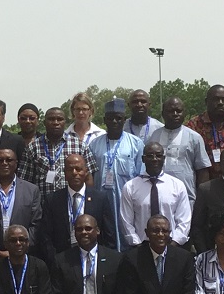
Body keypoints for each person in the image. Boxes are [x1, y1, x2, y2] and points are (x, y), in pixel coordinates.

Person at [86, 99, 145, 247]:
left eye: (118, 118)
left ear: (124, 120)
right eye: (110, 118)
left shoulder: (136, 144)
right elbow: (90, 175)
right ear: (104, 120)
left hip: (127, 199)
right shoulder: (94, 144)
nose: (114, 121)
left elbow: (141, 174)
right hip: (102, 200)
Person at [40, 153, 117, 267]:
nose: (74, 173)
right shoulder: (52, 200)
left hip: (94, 260)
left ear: (86, 172)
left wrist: (105, 261)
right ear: (65, 173)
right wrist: (54, 261)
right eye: (70, 169)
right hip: (63, 262)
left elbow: (109, 234)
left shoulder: (100, 198)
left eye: (78, 169)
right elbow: (45, 235)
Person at [119, 142, 193, 248]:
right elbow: (126, 222)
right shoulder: (130, 187)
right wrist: (138, 245)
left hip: (171, 244)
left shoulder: (177, 185)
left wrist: (174, 244)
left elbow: (184, 220)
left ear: (164, 158)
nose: (154, 159)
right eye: (150, 156)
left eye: (158, 155)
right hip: (141, 246)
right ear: (143, 159)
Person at [19, 105, 88, 200]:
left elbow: (89, 177)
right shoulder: (33, 147)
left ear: (65, 122)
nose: (56, 123)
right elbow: (24, 181)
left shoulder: (80, 145)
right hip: (43, 204)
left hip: (72, 203)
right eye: (51, 119)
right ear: (44, 122)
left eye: (59, 119)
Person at [147, 97, 210, 199]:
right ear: (163, 114)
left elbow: (202, 170)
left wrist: (201, 200)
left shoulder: (194, 137)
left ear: (184, 113)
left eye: (179, 111)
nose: (175, 114)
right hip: (158, 196)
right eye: (171, 111)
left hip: (187, 197)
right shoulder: (154, 136)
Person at [186, 84, 224, 179]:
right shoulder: (193, 126)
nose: (220, 103)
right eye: (216, 99)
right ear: (206, 101)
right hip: (204, 181)